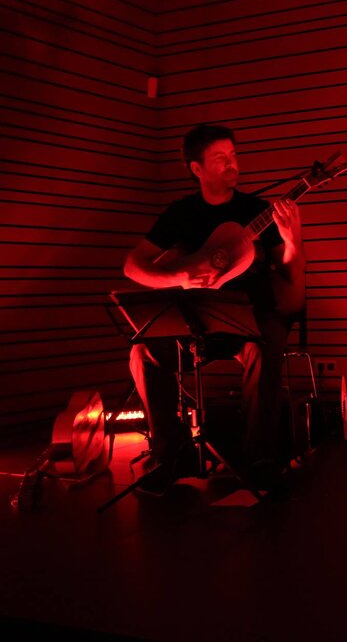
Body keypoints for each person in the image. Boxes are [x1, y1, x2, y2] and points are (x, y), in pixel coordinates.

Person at [123, 124, 305, 492]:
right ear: (197, 168)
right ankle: (171, 455)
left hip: (251, 317)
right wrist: (180, 277)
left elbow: (288, 272)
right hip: (196, 320)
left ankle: (260, 459)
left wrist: (292, 241)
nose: (232, 163)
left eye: (234, 155)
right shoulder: (182, 213)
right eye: (221, 158)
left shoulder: (256, 211)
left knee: (266, 346)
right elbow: (132, 266)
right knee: (142, 353)